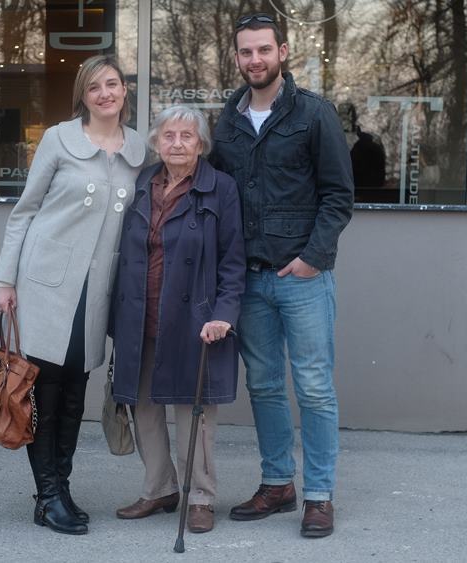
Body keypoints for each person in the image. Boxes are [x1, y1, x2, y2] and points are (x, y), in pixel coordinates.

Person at [208, 13, 354, 538]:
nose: (255, 60)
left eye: (264, 50)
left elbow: (338, 196)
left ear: (283, 52)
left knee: (313, 388)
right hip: (248, 280)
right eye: (246, 51)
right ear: (237, 57)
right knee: (265, 385)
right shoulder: (227, 123)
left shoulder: (314, 113)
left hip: (303, 278)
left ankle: (319, 494)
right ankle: (277, 484)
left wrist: (313, 257)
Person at [0, 55, 145, 535]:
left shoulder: (138, 150)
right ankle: (47, 496)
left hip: (98, 289)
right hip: (46, 282)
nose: (105, 93)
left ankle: (62, 486)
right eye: (94, 87)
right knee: (45, 390)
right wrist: (4, 280)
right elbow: (25, 211)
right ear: (83, 96)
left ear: (124, 90)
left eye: (112, 84)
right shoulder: (59, 139)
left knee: (76, 392)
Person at [110, 105, 245, 534]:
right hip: (140, 314)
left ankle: (200, 496)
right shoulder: (143, 183)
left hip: (193, 318)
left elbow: (233, 262)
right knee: (144, 407)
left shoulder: (220, 188)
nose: (177, 144)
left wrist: (223, 315)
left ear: (201, 144)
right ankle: (159, 488)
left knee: (194, 412)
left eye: (187, 136)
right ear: (155, 142)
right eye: (168, 136)